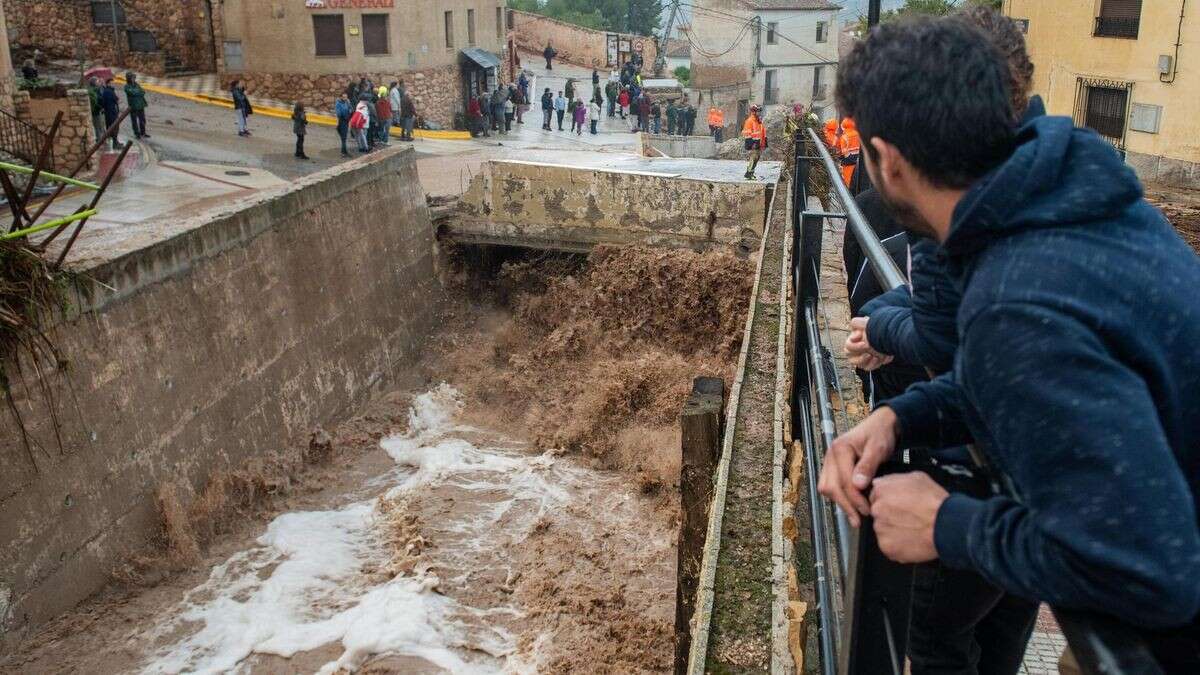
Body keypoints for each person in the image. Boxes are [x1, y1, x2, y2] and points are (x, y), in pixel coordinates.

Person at [820, 15, 1200, 669]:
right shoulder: (1063, 197)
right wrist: (902, 413)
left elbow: (1152, 571)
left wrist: (946, 523)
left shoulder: (1017, 301)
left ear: (885, 160)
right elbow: (1017, 378)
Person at [741, 104, 766, 179]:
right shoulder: (750, 121)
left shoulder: (758, 121)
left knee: (756, 158)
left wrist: (763, 143)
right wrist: (752, 143)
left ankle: (750, 172)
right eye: (758, 111)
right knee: (754, 157)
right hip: (753, 143)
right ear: (754, 112)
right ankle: (749, 173)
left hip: (758, 143)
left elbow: (762, 132)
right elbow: (747, 133)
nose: (759, 113)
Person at [122, 72, 149, 139]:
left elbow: (143, 92)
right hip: (133, 106)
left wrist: (138, 92)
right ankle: (137, 133)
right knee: (134, 121)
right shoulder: (126, 86)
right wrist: (138, 92)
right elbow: (133, 93)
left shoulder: (137, 84)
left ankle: (143, 132)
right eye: (132, 78)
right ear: (129, 79)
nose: (133, 79)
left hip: (140, 105)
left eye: (134, 78)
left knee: (142, 120)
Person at [838, 117, 861, 186]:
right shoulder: (859, 135)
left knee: (848, 182)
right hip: (858, 162)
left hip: (848, 164)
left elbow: (844, 152)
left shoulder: (844, 137)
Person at [99, 78, 120, 149]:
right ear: (108, 84)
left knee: (114, 127)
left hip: (112, 111)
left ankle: (115, 141)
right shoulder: (108, 91)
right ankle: (115, 143)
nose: (113, 84)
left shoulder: (109, 90)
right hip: (111, 112)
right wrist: (116, 99)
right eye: (111, 83)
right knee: (114, 127)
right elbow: (113, 99)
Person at [86, 77, 105, 146]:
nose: (98, 82)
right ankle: (99, 141)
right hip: (96, 112)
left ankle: (101, 140)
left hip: (99, 111)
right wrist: (101, 107)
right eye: (97, 81)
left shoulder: (98, 90)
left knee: (100, 126)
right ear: (94, 83)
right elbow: (95, 102)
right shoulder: (92, 91)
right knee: (98, 127)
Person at [335, 92, 352, 157]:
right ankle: (343, 152)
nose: (345, 98)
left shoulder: (347, 102)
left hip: (347, 120)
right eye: (344, 97)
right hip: (342, 121)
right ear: (341, 97)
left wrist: (349, 111)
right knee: (343, 137)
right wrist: (346, 113)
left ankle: (344, 151)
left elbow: (351, 109)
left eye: (346, 97)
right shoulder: (338, 103)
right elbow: (339, 113)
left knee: (344, 138)